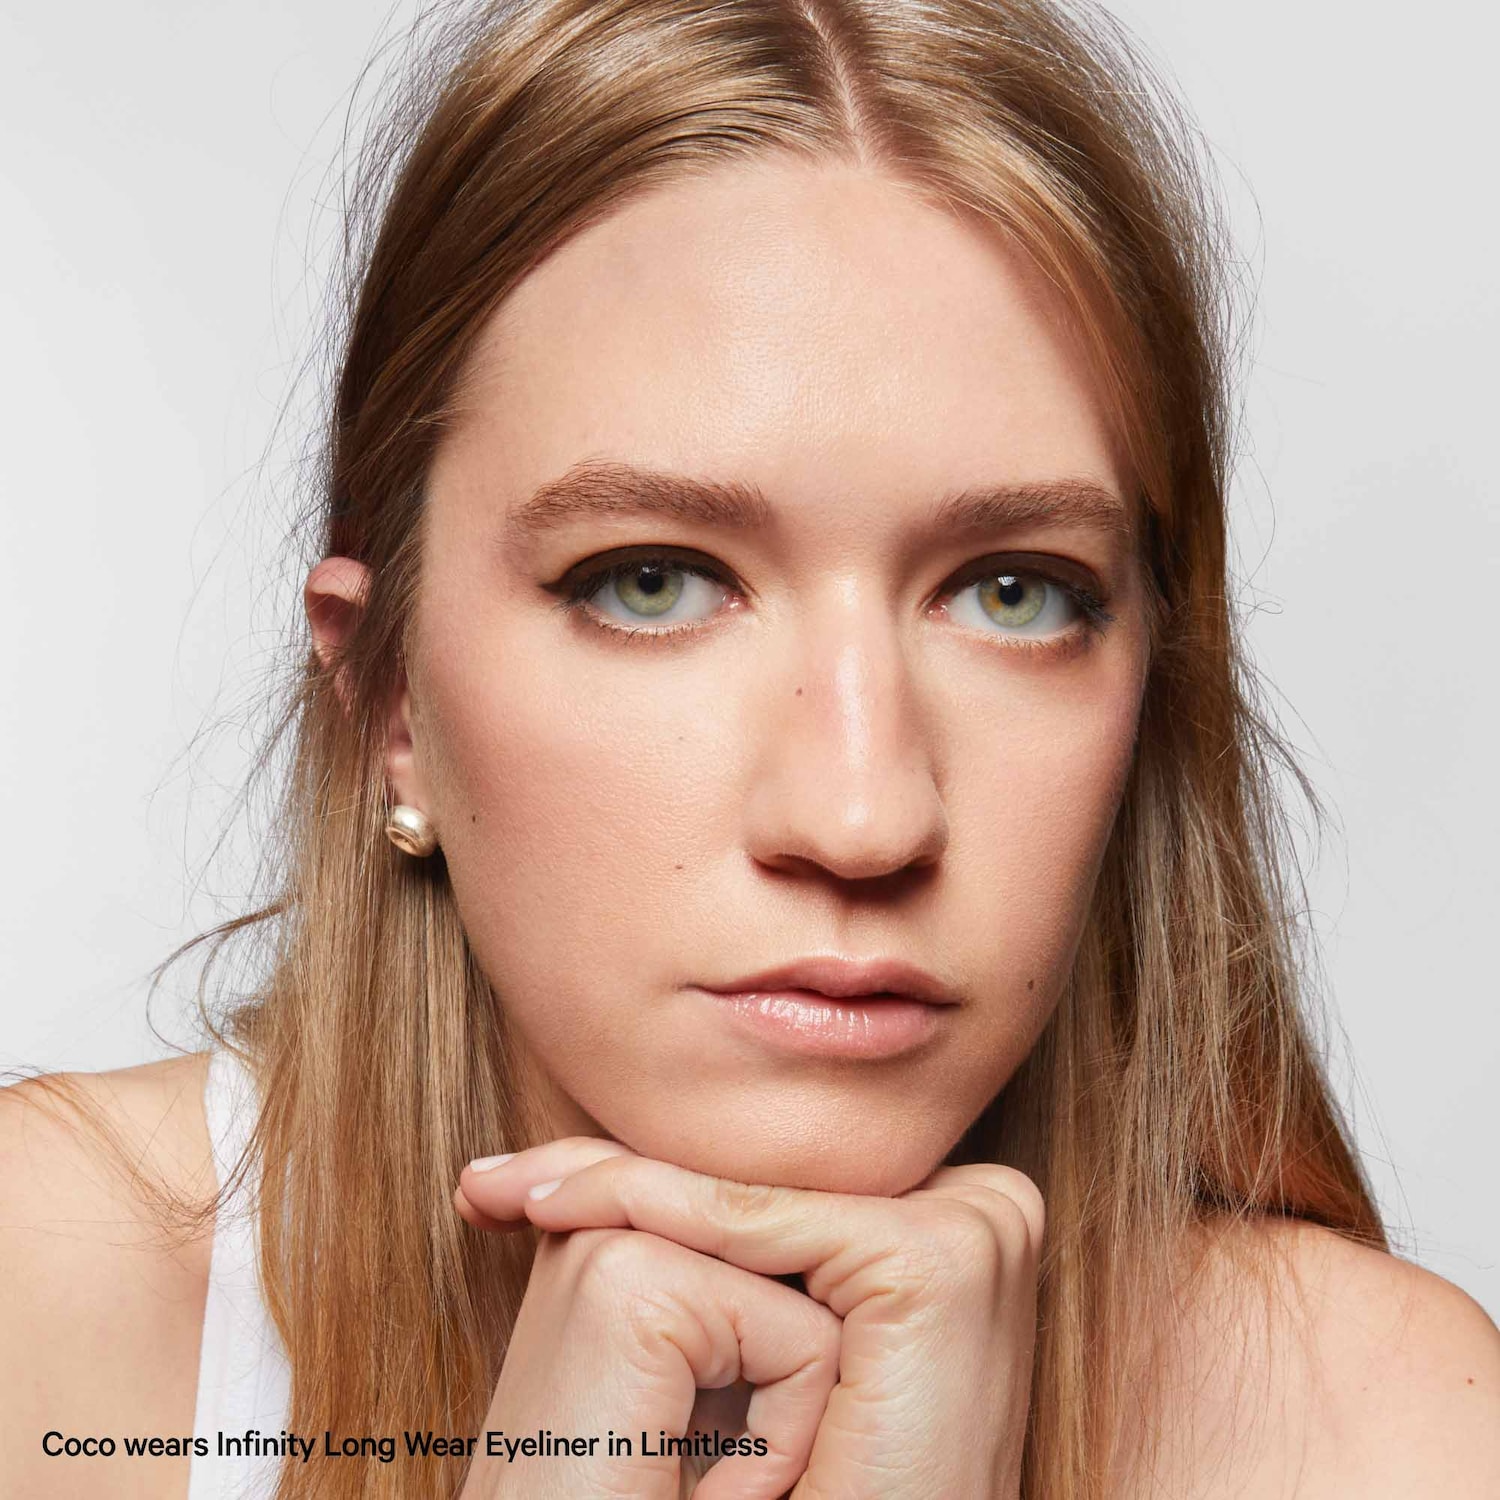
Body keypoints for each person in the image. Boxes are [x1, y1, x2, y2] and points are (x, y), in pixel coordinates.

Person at [3, 0, 1497, 1496]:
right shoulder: (44, 1296)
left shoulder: (1372, 1428)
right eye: (651, 582)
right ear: (391, 703)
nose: (861, 819)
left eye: (1016, 594)